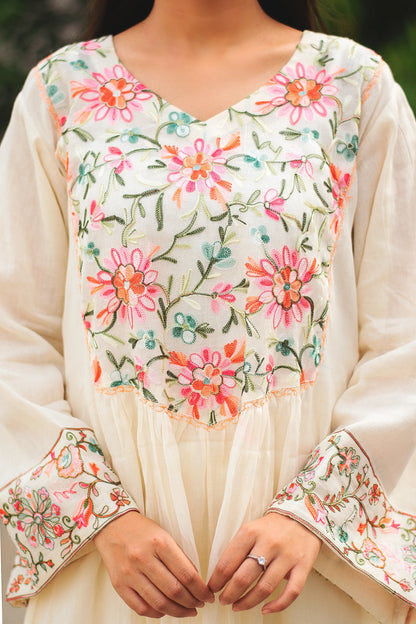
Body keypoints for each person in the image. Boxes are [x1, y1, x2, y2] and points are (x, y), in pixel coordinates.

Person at [0, 0, 415, 622]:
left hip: (304, 570)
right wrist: (98, 519)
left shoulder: (356, 88)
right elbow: (13, 331)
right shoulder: (61, 92)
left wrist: (313, 517)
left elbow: (403, 330)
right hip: (114, 571)